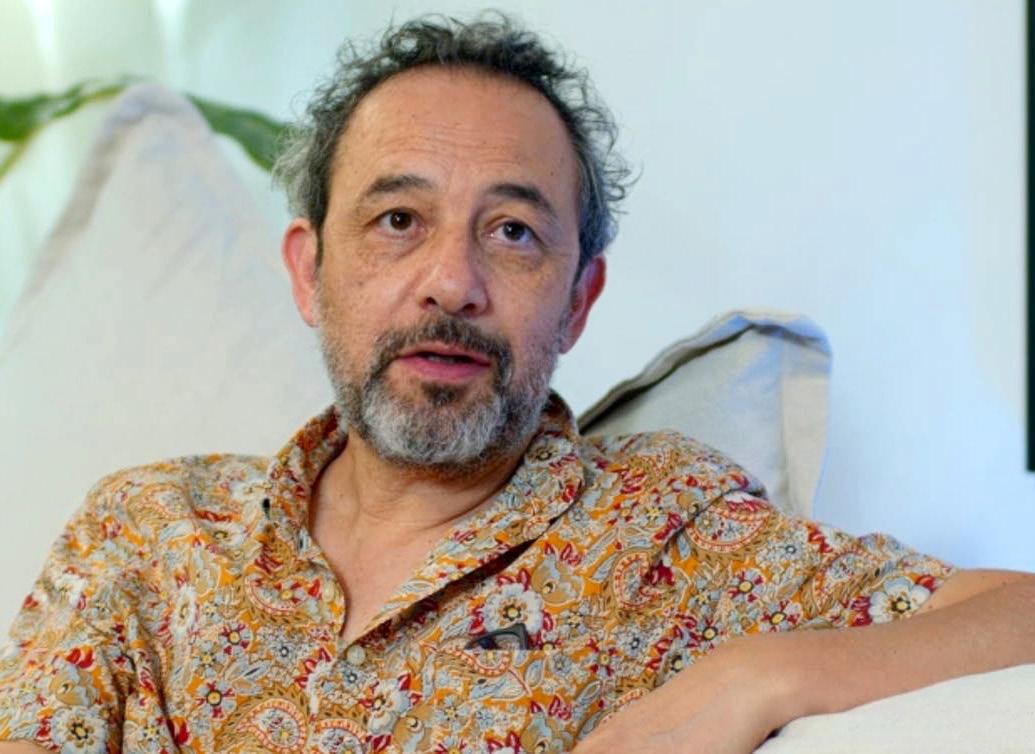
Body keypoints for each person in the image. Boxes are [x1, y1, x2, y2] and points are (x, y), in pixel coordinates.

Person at [0, 13, 1032, 754]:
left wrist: (766, 674)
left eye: (512, 232)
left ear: (578, 301)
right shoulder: (146, 532)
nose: (452, 282)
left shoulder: (669, 535)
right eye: (398, 221)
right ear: (309, 273)